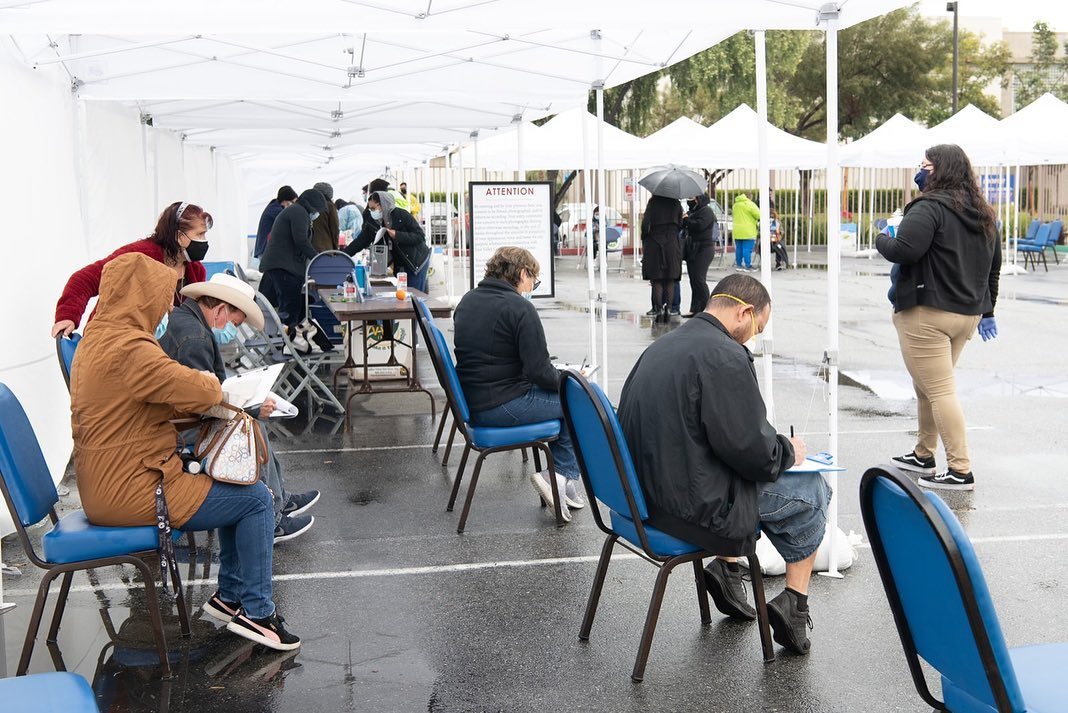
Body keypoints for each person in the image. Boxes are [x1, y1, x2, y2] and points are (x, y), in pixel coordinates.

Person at [71, 253, 300, 651]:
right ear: (142, 297)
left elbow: (150, 400)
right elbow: (196, 388)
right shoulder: (130, 347)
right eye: (160, 301)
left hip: (108, 481)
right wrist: (216, 386)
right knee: (257, 500)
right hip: (133, 487)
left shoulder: (98, 339)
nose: (164, 311)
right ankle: (258, 612)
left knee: (233, 487)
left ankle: (230, 597)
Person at [618, 273, 830, 656]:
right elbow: (756, 454)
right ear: (743, 312)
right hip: (685, 507)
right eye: (758, 328)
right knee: (813, 489)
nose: (753, 338)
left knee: (730, 465)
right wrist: (789, 450)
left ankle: (728, 570)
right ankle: (794, 604)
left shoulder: (665, 344)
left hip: (641, 495)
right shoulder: (726, 355)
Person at [158, 273, 320, 543]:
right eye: (234, 322)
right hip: (179, 427)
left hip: (174, 417)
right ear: (220, 309)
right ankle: (273, 517)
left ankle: (278, 499)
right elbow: (203, 402)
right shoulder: (195, 337)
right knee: (250, 427)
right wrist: (250, 408)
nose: (231, 330)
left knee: (252, 422)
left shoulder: (186, 321)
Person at [876, 144, 1001, 491]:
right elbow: (993, 268)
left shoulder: (928, 207)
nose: (919, 171)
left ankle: (960, 470)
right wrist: (988, 310)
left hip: (927, 312)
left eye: (924, 166)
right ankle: (923, 453)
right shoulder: (983, 213)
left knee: (940, 390)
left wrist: (883, 235)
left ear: (939, 170)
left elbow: (904, 250)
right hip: (967, 315)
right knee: (927, 386)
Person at [453, 247, 584, 522]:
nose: (532, 287)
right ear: (523, 273)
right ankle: (558, 476)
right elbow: (539, 372)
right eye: (533, 280)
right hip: (502, 404)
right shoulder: (520, 308)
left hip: (474, 402)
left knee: (567, 398)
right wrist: (571, 378)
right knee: (579, 401)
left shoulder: (468, 301)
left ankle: (564, 479)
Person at [52, 201, 212, 338]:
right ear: (179, 236)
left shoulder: (196, 270)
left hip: (154, 347)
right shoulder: (138, 256)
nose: (204, 241)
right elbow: (85, 279)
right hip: (114, 341)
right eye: (199, 234)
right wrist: (67, 315)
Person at [258, 188, 327, 327]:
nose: (317, 213)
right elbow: (301, 240)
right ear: (311, 205)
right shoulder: (299, 212)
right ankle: (290, 336)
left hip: (283, 266)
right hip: (284, 267)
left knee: (290, 305)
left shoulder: (297, 211)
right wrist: (318, 259)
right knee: (290, 307)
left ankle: (288, 335)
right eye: (317, 210)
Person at [344, 190, 430, 292]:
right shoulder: (374, 222)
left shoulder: (401, 215)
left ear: (383, 205)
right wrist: (343, 254)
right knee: (403, 293)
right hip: (400, 263)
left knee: (414, 293)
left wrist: (397, 235)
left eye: (373, 208)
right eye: (370, 209)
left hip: (415, 261)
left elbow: (420, 236)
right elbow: (361, 241)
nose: (372, 212)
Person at [640, 194, 683, 322]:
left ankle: (658, 309)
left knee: (657, 279)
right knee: (670, 278)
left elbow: (645, 225)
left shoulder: (653, 203)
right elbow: (680, 224)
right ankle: (669, 309)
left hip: (655, 243)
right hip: (672, 244)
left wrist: (645, 237)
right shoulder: (676, 203)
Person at [683, 193, 718, 316]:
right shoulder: (692, 211)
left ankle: (708, 309)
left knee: (699, 279)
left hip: (704, 248)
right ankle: (695, 308)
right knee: (693, 280)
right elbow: (686, 227)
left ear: (698, 199)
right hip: (692, 248)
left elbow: (699, 226)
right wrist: (684, 219)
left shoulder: (706, 211)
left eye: (692, 198)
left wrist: (686, 220)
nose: (690, 200)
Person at [254, 186, 298, 259]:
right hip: (265, 250)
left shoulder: (274, 206)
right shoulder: (275, 210)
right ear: (285, 201)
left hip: (265, 249)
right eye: (292, 202)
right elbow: (290, 220)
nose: (292, 205)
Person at [732, 193, 760, 271]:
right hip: (748, 230)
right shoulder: (750, 204)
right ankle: (748, 266)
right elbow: (759, 215)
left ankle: (739, 265)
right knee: (747, 249)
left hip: (737, 230)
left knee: (739, 249)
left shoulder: (735, 205)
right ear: (750, 197)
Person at [310, 182, 340, 253]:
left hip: (309, 247)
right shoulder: (329, 206)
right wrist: (336, 248)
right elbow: (334, 228)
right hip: (325, 247)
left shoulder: (308, 204)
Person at [769, 205, 790, 271]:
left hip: (776, 241)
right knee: (762, 247)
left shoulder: (778, 222)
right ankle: (765, 264)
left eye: (772, 216)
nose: (771, 218)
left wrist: (779, 234)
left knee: (779, 246)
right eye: (770, 216)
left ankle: (779, 264)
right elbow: (759, 233)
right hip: (766, 242)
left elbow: (782, 232)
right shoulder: (762, 222)